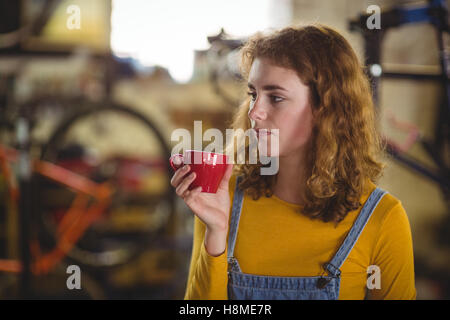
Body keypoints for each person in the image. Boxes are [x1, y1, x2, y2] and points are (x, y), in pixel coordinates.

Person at [171, 23, 416, 300]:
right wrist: (216, 234)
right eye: (253, 94)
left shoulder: (383, 219)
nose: (254, 112)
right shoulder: (221, 199)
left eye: (275, 97)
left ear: (326, 109)